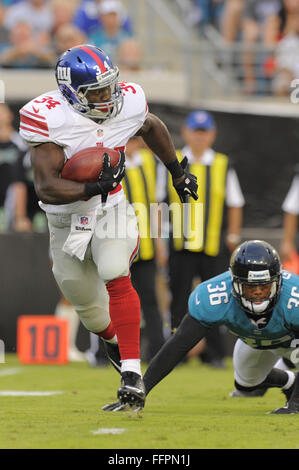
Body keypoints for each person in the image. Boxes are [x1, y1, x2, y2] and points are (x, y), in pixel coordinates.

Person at [18, 44, 198, 410]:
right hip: (65, 220)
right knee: (88, 309)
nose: (108, 96)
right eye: (97, 92)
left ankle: (132, 374)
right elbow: (47, 187)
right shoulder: (48, 117)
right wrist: (92, 185)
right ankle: (115, 344)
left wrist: (177, 173)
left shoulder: (128, 101)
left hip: (110, 208)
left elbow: (152, 126)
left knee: (116, 270)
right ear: (72, 94)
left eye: (109, 86)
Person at [104, 240, 299, 414]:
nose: (258, 293)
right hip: (256, 341)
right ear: (235, 284)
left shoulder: (294, 297)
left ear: (277, 283)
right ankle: (291, 380)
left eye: (264, 286)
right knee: (246, 385)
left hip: (293, 341)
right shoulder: (215, 295)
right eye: (250, 287)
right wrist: (141, 388)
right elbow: (179, 345)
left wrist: (296, 404)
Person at [162, 110, 245, 368]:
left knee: (218, 298)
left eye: (204, 132)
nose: (199, 138)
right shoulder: (171, 161)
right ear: (185, 132)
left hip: (212, 244)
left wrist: (233, 234)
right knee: (178, 298)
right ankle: (178, 354)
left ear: (212, 135)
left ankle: (215, 353)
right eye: (195, 132)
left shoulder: (222, 163)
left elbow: (235, 202)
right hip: (179, 242)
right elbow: (157, 201)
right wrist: (158, 237)